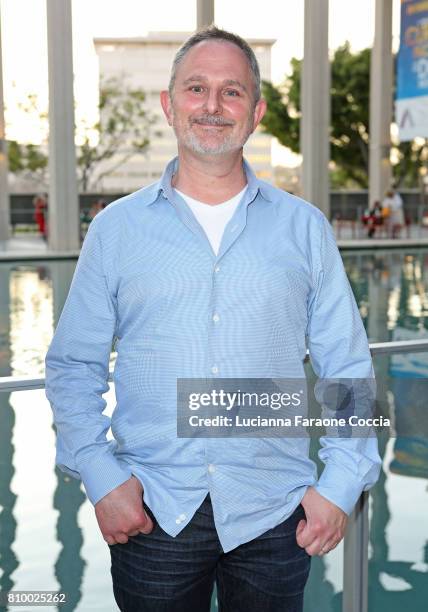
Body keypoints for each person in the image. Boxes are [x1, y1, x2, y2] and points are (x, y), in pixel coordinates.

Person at [45, 26, 381, 612]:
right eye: (196, 88)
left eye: (232, 92)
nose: (212, 105)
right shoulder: (116, 231)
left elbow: (347, 368)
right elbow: (74, 367)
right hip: (151, 507)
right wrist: (102, 479)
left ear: (256, 112)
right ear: (169, 104)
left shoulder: (304, 229)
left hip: (277, 512)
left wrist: (341, 483)